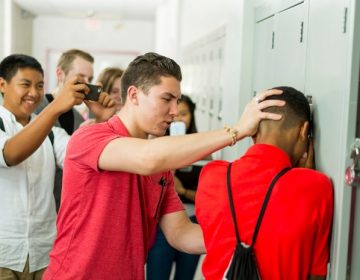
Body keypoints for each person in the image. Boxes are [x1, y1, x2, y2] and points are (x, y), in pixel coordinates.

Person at [43, 52, 285, 280]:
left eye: (177, 101)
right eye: (166, 99)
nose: (175, 111)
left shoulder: (161, 168)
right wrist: (238, 131)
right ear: (135, 95)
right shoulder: (90, 138)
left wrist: (249, 236)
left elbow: (181, 233)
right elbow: (147, 158)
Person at [195, 86, 334, 280]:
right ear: (304, 131)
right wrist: (304, 177)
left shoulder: (211, 175)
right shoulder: (317, 186)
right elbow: (316, 274)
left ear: (252, 131)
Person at [0, 54, 114, 279]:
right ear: (2, 85)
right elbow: (11, 154)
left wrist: (104, 122)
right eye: (25, 84)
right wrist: (55, 108)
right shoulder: (38, 123)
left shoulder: (52, 134)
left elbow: (89, 159)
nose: (34, 93)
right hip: (4, 255)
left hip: (45, 253)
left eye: (40, 86)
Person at [34, 49, 105, 212]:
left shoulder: (79, 119)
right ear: (60, 74)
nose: (87, 84)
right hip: (39, 206)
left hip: (67, 207)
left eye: (90, 79)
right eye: (80, 78)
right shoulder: (37, 110)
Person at [147, 94, 204, 280]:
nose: (179, 118)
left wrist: (183, 191)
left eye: (185, 114)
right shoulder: (154, 149)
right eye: (176, 114)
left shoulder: (203, 153)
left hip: (193, 221)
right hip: (160, 225)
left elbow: (205, 199)